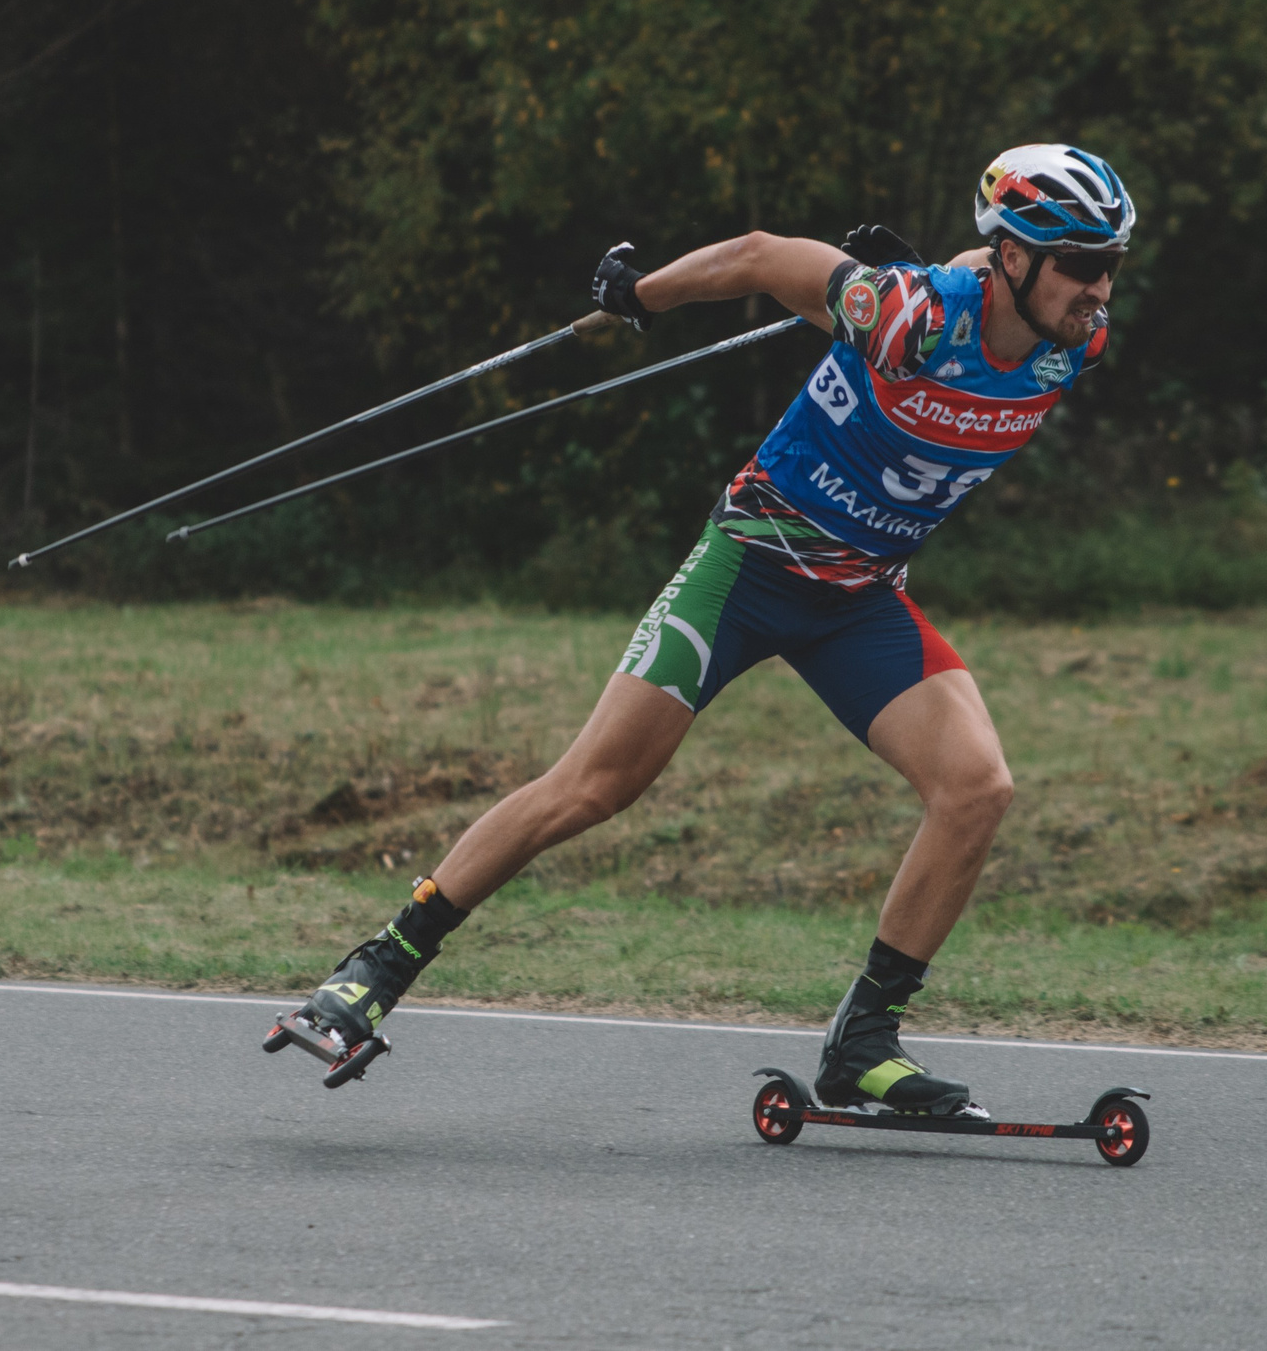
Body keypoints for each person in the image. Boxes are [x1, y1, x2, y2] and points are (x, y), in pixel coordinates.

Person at [280, 144, 1132, 1115]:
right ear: (1015, 257)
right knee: (593, 787)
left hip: (857, 599)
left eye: (1110, 263)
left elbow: (978, 306)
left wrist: (934, 271)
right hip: (752, 568)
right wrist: (643, 293)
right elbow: (765, 257)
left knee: (976, 788)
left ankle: (863, 1041)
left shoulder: (1069, 336)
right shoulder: (905, 312)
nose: (1098, 287)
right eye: (1079, 263)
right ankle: (372, 971)